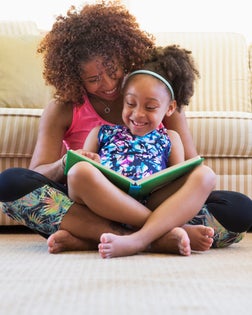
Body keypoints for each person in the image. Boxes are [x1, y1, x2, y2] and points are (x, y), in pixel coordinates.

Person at [0, 1, 251, 254]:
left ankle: (92, 236)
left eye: (113, 71)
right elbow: (37, 175)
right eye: (93, 79)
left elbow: (187, 169)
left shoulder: (155, 94)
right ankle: (154, 235)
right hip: (93, 201)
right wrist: (64, 164)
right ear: (74, 76)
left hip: (154, 197)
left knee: (239, 210)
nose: (109, 84)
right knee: (11, 184)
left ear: (125, 57)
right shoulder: (63, 108)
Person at [67, 66, 216, 258]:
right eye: (130, 103)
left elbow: (175, 182)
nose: (137, 114)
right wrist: (91, 160)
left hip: (152, 200)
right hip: (108, 201)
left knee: (206, 175)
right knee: (78, 172)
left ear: (170, 108)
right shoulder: (100, 133)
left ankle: (135, 240)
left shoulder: (170, 138)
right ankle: (163, 230)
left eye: (150, 107)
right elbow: (85, 167)